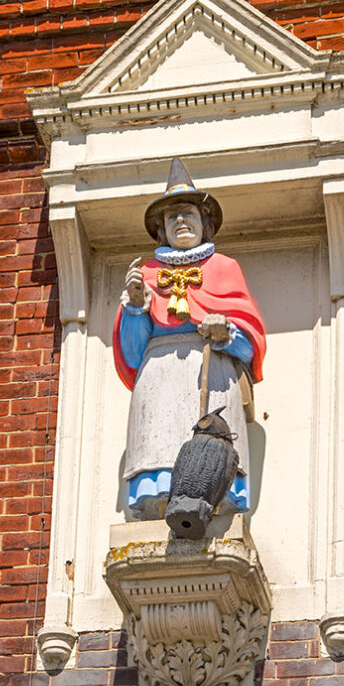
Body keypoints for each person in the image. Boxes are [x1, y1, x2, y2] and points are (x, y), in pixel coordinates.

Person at [113, 158, 266, 520]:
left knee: (211, 452)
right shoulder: (147, 274)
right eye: (172, 216)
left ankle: (212, 499)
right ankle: (162, 502)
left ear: (205, 223)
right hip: (159, 376)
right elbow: (133, 354)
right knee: (161, 452)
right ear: (162, 230)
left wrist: (227, 334)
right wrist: (135, 307)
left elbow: (251, 345)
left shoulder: (225, 268)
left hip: (212, 370)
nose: (181, 221)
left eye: (189, 214)